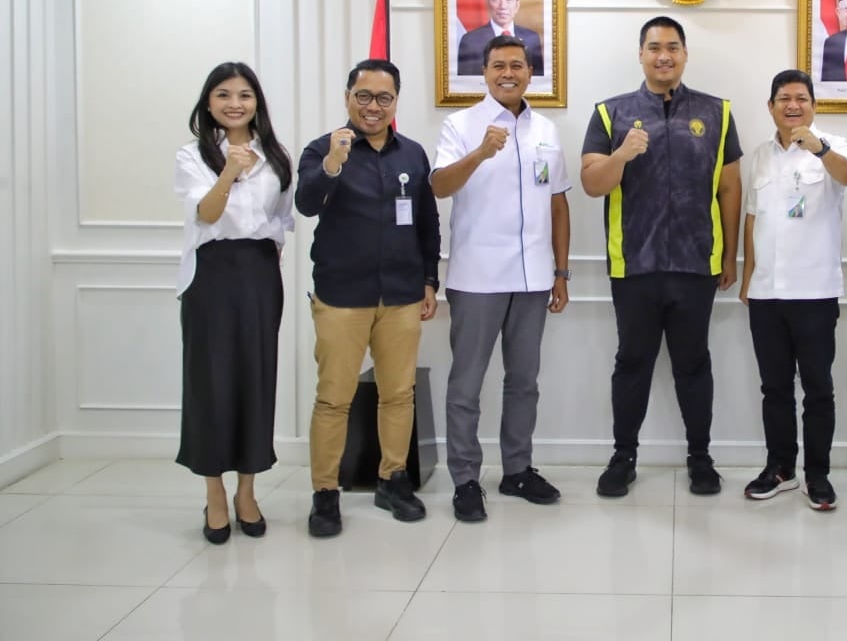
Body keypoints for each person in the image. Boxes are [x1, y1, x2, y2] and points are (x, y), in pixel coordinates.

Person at [580, 15, 742, 497]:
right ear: (641, 54)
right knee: (632, 362)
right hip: (635, 266)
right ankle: (622, 456)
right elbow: (592, 184)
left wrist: (730, 255)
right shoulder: (611, 113)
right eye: (654, 47)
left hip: (696, 265)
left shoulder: (717, 112)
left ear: (685, 54)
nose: (663, 55)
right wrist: (623, 154)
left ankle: (700, 458)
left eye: (672, 47)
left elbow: (730, 189)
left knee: (694, 363)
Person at [295, 58, 441, 538]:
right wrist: (334, 164)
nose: (373, 107)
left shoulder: (412, 154)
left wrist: (428, 280)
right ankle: (325, 494)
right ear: (347, 98)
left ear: (396, 101)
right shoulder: (323, 149)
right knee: (334, 399)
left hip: (400, 295)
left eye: (383, 98)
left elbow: (426, 221)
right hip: (342, 297)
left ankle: (392, 481)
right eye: (363, 96)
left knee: (398, 395)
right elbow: (306, 203)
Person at [431, 35, 572, 522]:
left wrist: (561, 271)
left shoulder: (547, 130)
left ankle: (517, 470)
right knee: (466, 384)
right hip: (477, 275)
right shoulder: (461, 124)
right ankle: (466, 479)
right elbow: (439, 185)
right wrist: (480, 154)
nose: (507, 73)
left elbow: (557, 202)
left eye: (516, 65)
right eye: (497, 66)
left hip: (533, 276)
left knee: (524, 381)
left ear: (530, 72)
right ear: (485, 73)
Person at [174, 62, 294, 544]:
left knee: (255, 380)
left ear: (256, 103)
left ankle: (248, 489)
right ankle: (214, 494)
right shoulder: (191, 156)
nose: (234, 104)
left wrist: (267, 263)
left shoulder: (276, 155)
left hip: (259, 274)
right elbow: (205, 214)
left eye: (244, 95)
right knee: (211, 383)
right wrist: (228, 170)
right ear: (208, 103)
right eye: (223, 95)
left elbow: (282, 219)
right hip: (212, 274)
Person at [739, 69, 847, 510]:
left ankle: (818, 474)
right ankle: (780, 467)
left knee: (818, 389)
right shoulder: (760, 156)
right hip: (767, 293)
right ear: (771, 106)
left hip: (815, 291)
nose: (793, 105)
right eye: (784, 98)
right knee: (774, 388)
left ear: (814, 105)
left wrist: (819, 147)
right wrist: (749, 276)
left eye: (801, 98)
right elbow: (753, 218)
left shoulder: (833, 147)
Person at [457, 0, 545, 76]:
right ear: (488, 3)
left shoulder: (531, 38)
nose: (503, 6)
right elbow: (465, 83)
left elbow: (538, 80)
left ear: (517, 5)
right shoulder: (470, 40)